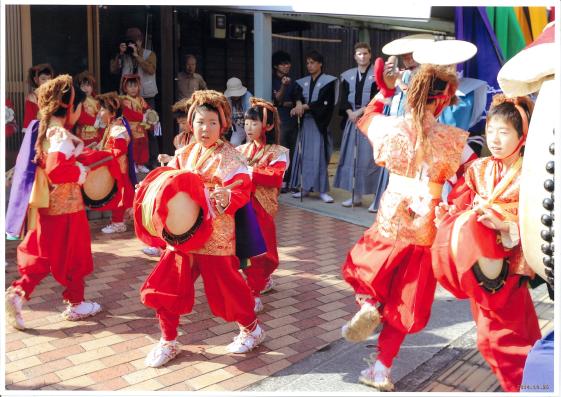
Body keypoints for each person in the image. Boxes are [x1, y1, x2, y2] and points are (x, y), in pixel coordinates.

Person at [341, 62, 468, 391]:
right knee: (406, 295)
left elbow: (365, 118)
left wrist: (383, 93)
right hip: (427, 218)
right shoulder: (453, 139)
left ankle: (369, 304)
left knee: (368, 266)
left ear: (411, 95)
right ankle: (382, 368)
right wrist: (454, 207)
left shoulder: (391, 127)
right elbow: (471, 175)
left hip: (392, 213)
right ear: (443, 100)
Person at [145, 90, 265, 368]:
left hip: (215, 236)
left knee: (228, 288)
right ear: (190, 123)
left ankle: (252, 329)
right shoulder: (183, 153)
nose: (205, 129)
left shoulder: (231, 157)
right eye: (200, 122)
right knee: (167, 285)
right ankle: (168, 340)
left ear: (222, 124)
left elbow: (243, 189)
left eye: (212, 122)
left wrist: (229, 197)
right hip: (182, 235)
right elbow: (167, 185)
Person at [432, 95, 540, 392]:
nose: (494, 138)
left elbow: (540, 219)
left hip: (513, 271)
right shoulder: (479, 169)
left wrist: (507, 225)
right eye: (491, 130)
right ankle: (536, 382)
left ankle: (523, 387)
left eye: (504, 132)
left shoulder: (533, 175)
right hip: (482, 269)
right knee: (512, 336)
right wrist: (448, 214)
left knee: (500, 341)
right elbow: (460, 203)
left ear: (522, 135)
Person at [5, 75, 102, 330]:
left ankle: (18, 293)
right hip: (67, 207)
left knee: (43, 255)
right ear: (69, 105)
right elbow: (57, 169)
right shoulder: (59, 134)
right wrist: (78, 172)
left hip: (49, 207)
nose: (81, 113)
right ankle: (77, 303)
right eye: (80, 107)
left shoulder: (45, 130)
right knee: (76, 256)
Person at [236, 98, 289, 312]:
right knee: (243, 249)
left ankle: (256, 289)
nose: (249, 127)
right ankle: (254, 285)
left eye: (254, 123)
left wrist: (249, 172)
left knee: (261, 251)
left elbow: (276, 177)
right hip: (241, 206)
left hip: (262, 208)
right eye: (247, 123)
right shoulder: (240, 149)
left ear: (267, 125)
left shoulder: (278, 152)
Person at [333, 42, 384, 212]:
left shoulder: (378, 75)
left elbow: (379, 98)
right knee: (351, 158)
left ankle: (376, 197)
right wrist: (350, 113)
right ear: (355, 56)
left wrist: (361, 111)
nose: (362, 56)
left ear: (370, 55)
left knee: (370, 158)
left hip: (371, 120)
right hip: (352, 120)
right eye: (359, 54)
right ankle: (356, 195)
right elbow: (343, 99)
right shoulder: (347, 76)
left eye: (365, 53)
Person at [289, 50, 338, 203]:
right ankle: (304, 187)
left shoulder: (329, 82)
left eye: (313, 62)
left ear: (320, 64)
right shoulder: (303, 81)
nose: (310, 66)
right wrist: (297, 104)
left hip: (318, 123)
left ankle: (322, 189)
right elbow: (296, 95)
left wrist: (304, 106)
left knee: (318, 157)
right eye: (308, 63)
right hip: (305, 124)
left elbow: (326, 103)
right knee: (304, 156)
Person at [110, 27, 159, 169]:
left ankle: (152, 161)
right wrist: (120, 54)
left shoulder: (150, 54)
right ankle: (131, 161)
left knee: (150, 130)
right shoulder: (124, 55)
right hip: (127, 98)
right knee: (129, 132)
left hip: (146, 97)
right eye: (130, 41)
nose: (133, 44)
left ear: (140, 40)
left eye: (136, 40)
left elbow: (151, 69)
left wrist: (137, 55)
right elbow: (113, 69)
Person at [95, 92, 137, 235]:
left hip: (119, 169)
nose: (99, 112)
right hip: (116, 169)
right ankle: (123, 220)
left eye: (102, 109)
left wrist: (104, 154)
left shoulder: (117, 128)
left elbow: (120, 150)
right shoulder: (113, 126)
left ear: (111, 112)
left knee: (120, 196)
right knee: (125, 197)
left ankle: (118, 223)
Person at [272, 50, 299, 193]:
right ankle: (281, 181)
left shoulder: (293, 81)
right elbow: (278, 100)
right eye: (283, 64)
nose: (287, 66)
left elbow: (296, 100)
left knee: (294, 151)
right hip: (280, 119)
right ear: (276, 66)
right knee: (282, 151)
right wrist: (283, 87)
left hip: (293, 119)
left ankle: (292, 181)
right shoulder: (272, 80)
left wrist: (291, 103)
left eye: (288, 63)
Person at [119, 74, 152, 174]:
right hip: (131, 128)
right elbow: (128, 114)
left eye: (135, 86)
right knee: (132, 146)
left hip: (141, 127)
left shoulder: (141, 99)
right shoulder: (124, 100)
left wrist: (150, 114)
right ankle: (132, 164)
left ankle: (140, 164)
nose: (133, 89)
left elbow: (147, 108)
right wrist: (142, 117)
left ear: (138, 87)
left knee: (143, 145)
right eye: (130, 86)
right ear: (125, 88)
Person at [74, 71, 102, 147]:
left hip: (97, 134)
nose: (85, 88)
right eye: (82, 86)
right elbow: (80, 116)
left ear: (93, 87)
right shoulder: (79, 101)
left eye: (88, 85)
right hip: (83, 134)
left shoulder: (98, 100)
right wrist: (95, 122)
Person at [23, 63, 54, 132]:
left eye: (49, 79)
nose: (47, 82)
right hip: (38, 132)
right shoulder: (32, 97)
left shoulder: (54, 96)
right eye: (43, 79)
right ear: (35, 79)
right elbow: (29, 121)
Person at [224, 77, 252, 147]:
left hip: (250, 124)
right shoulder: (227, 99)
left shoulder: (248, 97)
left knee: (249, 145)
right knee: (233, 144)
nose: (235, 95)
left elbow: (251, 116)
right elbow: (227, 115)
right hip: (238, 126)